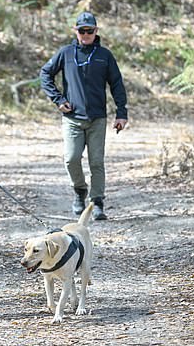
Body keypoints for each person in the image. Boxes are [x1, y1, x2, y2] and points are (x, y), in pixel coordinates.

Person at [40, 12, 128, 220]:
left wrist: (121, 113)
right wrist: (59, 100)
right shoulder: (66, 53)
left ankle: (97, 202)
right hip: (72, 119)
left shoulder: (104, 55)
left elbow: (117, 84)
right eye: (82, 30)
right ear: (75, 30)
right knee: (71, 159)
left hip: (97, 118)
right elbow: (45, 74)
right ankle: (80, 191)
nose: (86, 34)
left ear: (96, 31)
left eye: (90, 30)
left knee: (96, 162)